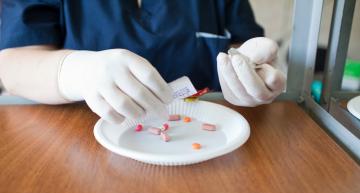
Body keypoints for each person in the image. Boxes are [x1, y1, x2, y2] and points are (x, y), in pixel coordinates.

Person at [0, 0, 285, 123]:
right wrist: (76, 72)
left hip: (201, 139)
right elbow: (13, 65)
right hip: (77, 144)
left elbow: (241, 44)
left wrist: (246, 71)